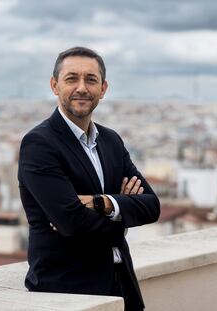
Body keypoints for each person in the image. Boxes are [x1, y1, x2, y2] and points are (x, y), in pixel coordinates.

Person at [18, 46, 160, 311]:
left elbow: (152, 205)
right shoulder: (39, 144)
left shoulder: (111, 141)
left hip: (123, 286)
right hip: (67, 291)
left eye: (91, 79)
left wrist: (103, 203)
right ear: (54, 85)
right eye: (71, 78)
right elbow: (71, 223)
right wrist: (124, 211)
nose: (82, 87)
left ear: (103, 89)